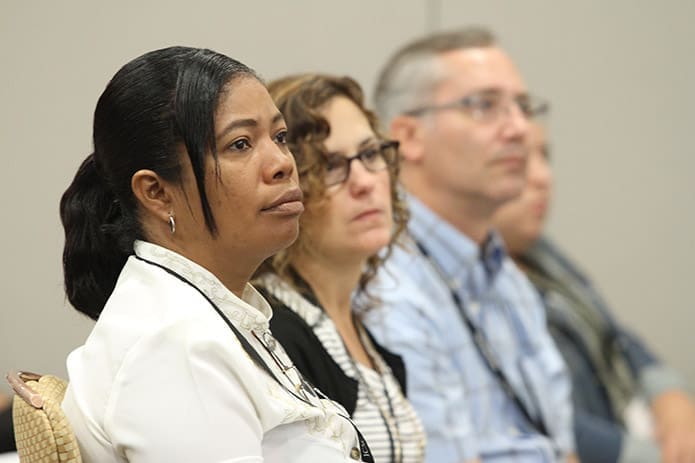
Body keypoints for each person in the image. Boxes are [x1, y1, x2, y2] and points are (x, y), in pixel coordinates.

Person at [59, 46, 375, 463]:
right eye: (240, 144)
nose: (282, 163)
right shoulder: (175, 346)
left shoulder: (205, 313)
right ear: (156, 193)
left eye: (280, 137)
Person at [364, 27, 577, 463]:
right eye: (484, 106)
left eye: (522, 106)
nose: (519, 128)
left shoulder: (501, 265)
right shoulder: (384, 285)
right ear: (409, 136)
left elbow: (561, 446)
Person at [493, 122, 695, 463]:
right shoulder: (466, 288)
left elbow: (613, 333)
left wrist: (670, 396)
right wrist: (652, 456)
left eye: (545, 157)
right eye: (521, 163)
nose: (543, 178)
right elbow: (533, 416)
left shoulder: (540, 252)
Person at [254, 74, 426, 463]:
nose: (364, 182)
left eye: (369, 154)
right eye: (331, 166)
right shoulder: (274, 332)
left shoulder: (366, 336)